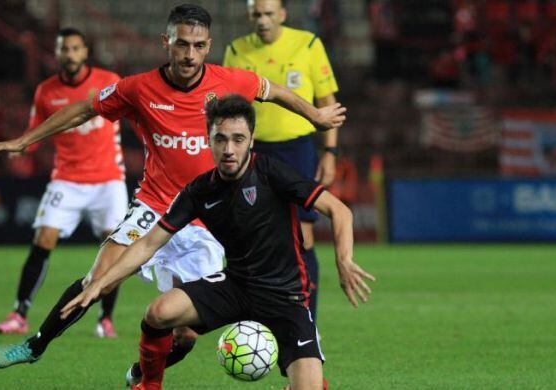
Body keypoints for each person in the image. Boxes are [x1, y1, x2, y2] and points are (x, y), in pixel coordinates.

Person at [0, 3, 346, 371]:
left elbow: (274, 91)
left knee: (185, 334)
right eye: (182, 44)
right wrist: (24, 141)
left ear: (208, 46)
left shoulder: (230, 81)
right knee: (99, 278)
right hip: (154, 206)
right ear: (166, 42)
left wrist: (315, 115)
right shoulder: (139, 88)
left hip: (205, 218)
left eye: (199, 46)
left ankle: (142, 370)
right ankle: (35, 344)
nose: (190, 55)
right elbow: (85, 109)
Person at [61, 95, 374, 390]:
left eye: (238, 139)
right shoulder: (199, 191)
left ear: (251, 140)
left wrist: (344, 261)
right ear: (207, 140)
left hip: (285, 296)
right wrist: (99, 284)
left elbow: (339, 211)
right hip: (236, 286)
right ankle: (148, 385)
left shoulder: (271, 173)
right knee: (159, 312)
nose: (229, 149)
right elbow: (147, 245)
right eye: (220, 139)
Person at [0, 28, 127, 338]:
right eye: (64, 48)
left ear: (85, 51)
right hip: (67, 179)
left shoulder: (109, 80)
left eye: (75, 48)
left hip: (108, 179)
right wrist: (16, 147)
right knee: (43, 238)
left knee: (115, 248)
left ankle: (105, 319)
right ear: (57, 53)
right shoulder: (46, 91)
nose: (70, 54)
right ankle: (19, 313)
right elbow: (35, 134)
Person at [223, 0, 340, 320]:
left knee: (303, 236)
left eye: (268, 14)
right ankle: (256, 319)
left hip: (297, 151)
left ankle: (307, 320)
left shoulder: (308, 44)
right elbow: (230, 107)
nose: (262, 20)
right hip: (253, 152)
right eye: (257, 14)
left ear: (282, 15)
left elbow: (328, 102)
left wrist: (330, 153)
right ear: (249, 16)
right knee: (251, 236)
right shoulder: (236, 50)